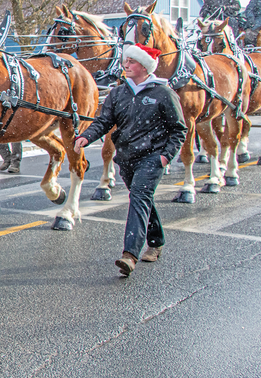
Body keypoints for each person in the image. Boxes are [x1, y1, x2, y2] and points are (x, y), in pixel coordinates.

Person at [73, 44, 187, 276]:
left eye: (131, 62)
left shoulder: (163, 93)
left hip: (152, 157)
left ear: (145, 66)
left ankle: (130, 255)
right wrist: (86, 136)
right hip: (126, 157)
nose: (125, 65)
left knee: (139, 197)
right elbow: (104, 122)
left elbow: (179, 129)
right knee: (141, 198)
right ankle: (156, 241)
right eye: (125, 62)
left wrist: (165, 157)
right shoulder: (118, 93)